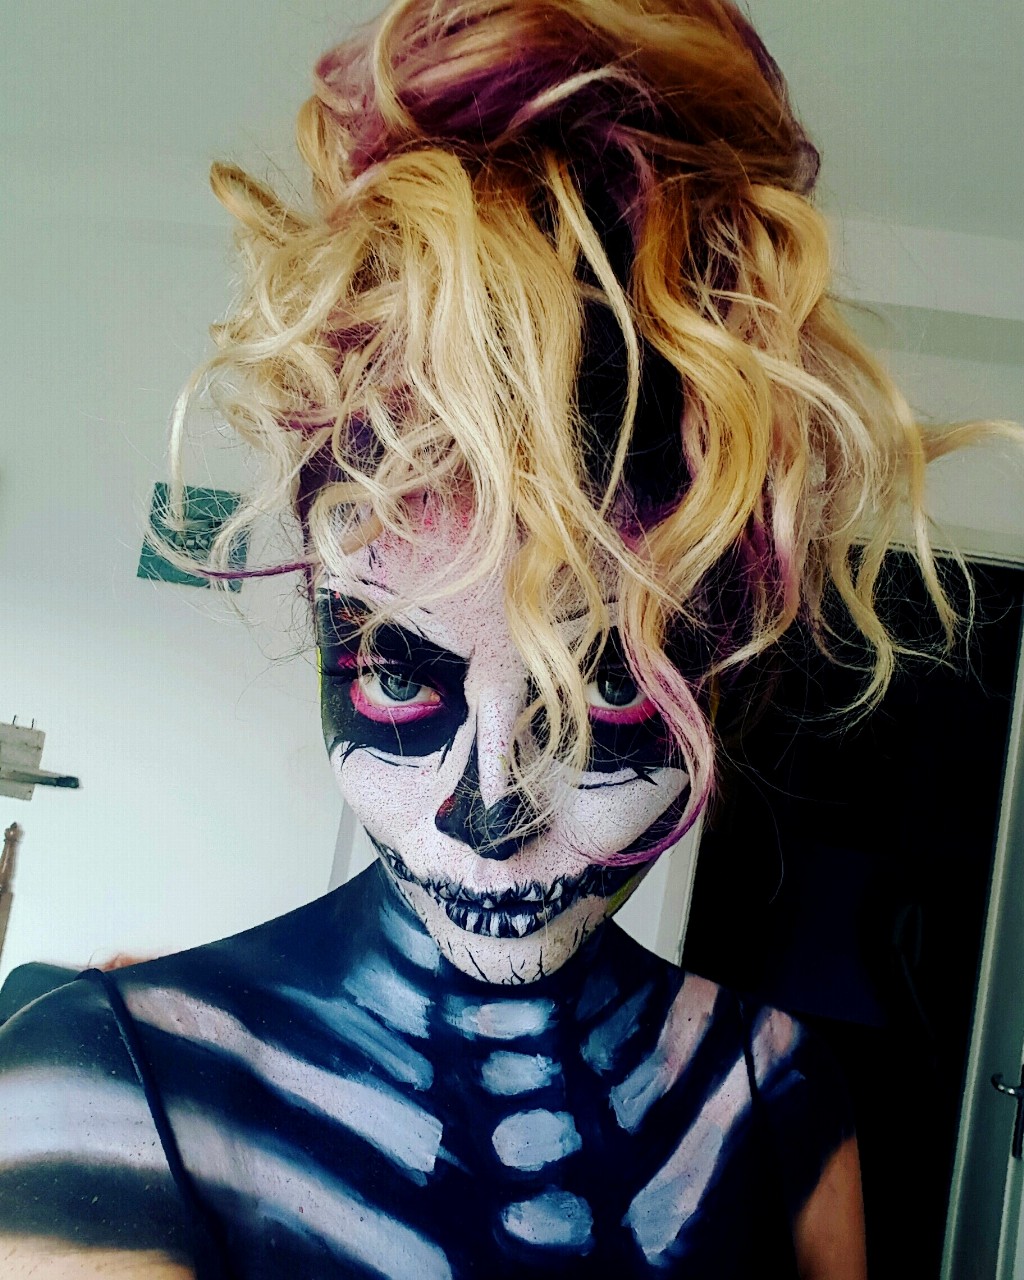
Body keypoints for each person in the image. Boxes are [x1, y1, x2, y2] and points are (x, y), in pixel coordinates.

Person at [1, 0, 992, 1274]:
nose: (490, 815)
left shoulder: (776, 1091)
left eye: (599, 691)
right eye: (399, 672)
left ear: (719, 683)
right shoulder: (100, 1087)